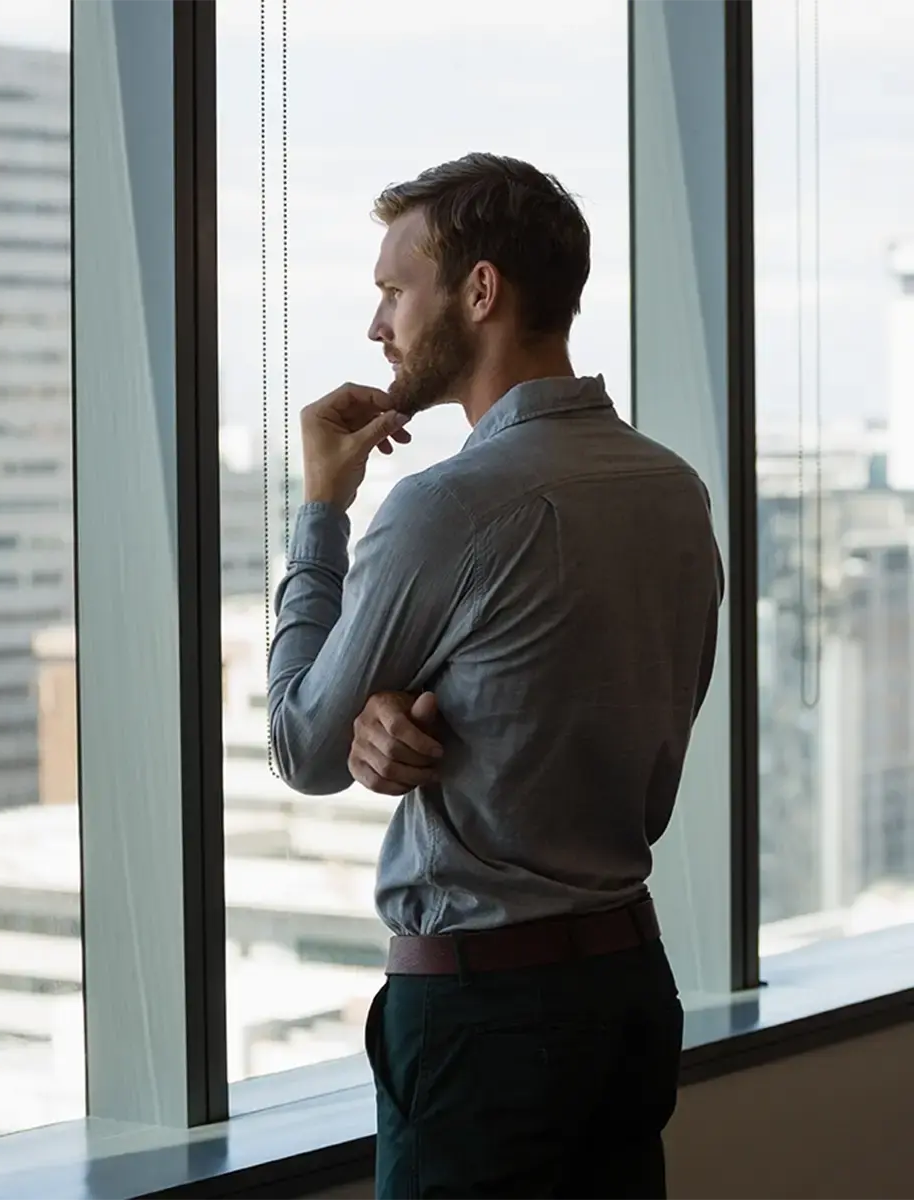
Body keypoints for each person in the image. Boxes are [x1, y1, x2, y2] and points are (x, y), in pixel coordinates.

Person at [267, 152, 723, 1198]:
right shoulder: (674, 492)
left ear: (480, 292)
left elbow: (301, 743)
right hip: (626, 993)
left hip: (487, 1022)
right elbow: (557, 694)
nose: (378, 325)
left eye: (395, 289)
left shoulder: (447, 509)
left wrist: (323, 512)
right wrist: (395, 714)